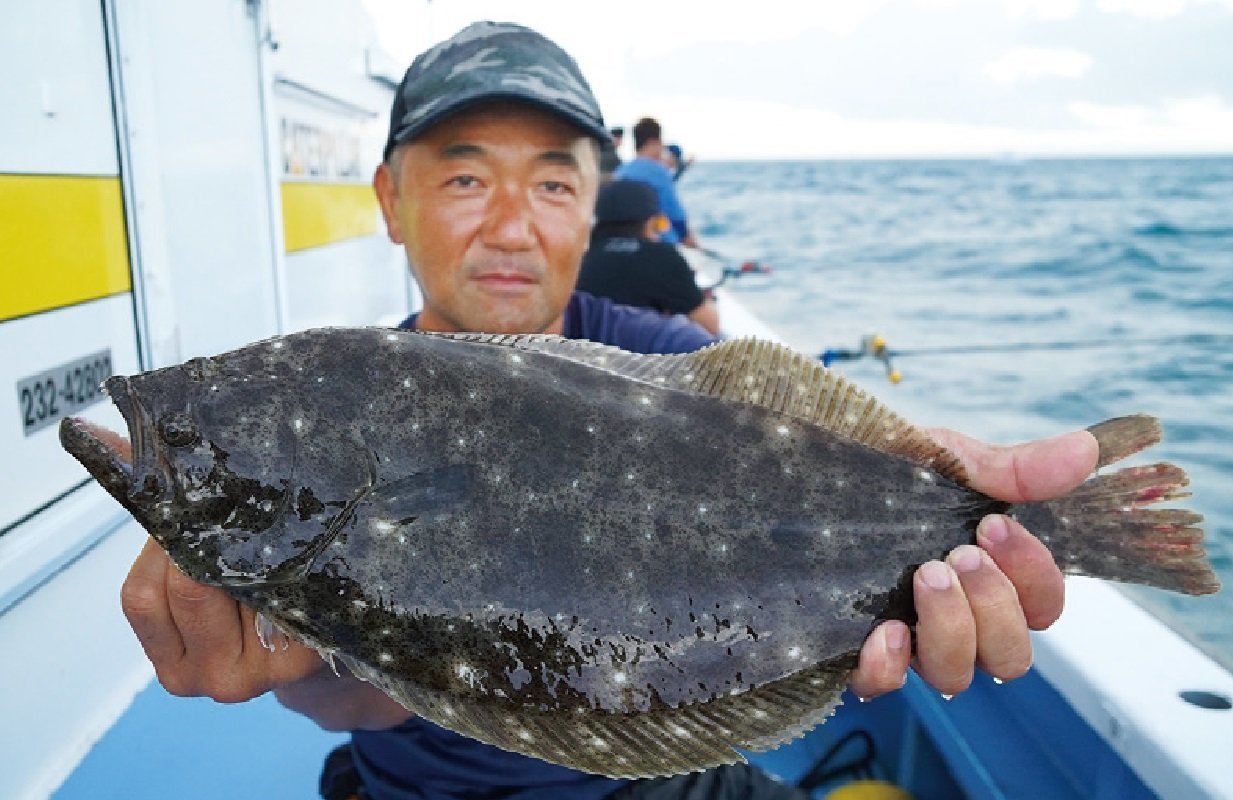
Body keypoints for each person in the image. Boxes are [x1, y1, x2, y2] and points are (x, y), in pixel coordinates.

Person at [119, 20, 1099, 800]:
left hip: (673, 779)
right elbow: (358, 692)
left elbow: (802, 472)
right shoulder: (354, 401)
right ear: (389, 198)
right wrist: (299, 655)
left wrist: (950, 500)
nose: (511, 223)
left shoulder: (671, 364)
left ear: (591, 206)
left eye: (552, 181)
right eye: (464, 177)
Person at [577, 179, 719, 334]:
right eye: (660, 225)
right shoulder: (662, 257)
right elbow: (709, 326)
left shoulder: (578, 253)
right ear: (650, 222)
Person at [615, 118, 697, 247]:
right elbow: (675, 214)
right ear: (653, 142)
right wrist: (688, 239)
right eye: (661, 143)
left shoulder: (621, 171)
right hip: (659, 245)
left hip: (625, 242)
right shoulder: (658, 172)